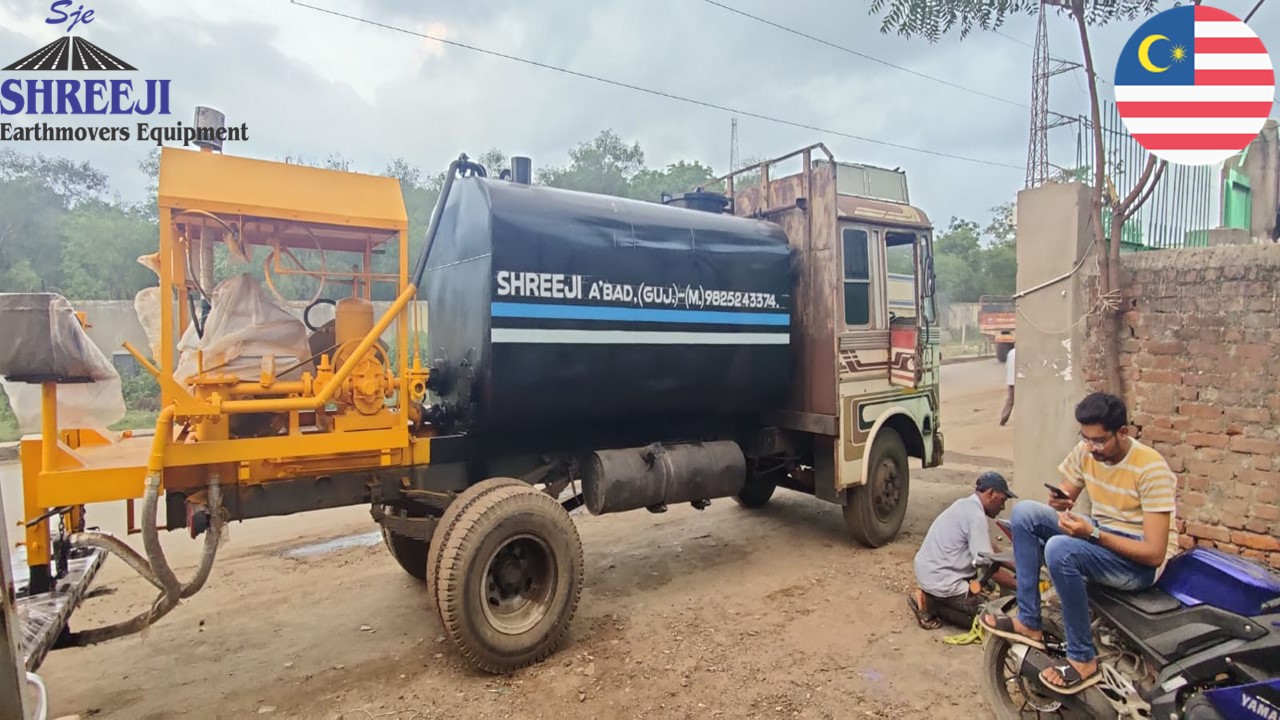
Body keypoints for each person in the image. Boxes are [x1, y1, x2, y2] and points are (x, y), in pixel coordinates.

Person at [980, 392, 1178, 695]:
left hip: (1136, 563)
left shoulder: (1151, 469)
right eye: (1085, 438)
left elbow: (1153, 553)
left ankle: (1083, 660)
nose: (1091, 448)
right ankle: (1029, 621)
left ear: (1122, 433)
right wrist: (1060, 500)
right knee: (1024, 513)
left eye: (1099, 441)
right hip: (1099, 536)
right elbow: (1066, 493)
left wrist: (1092, 534)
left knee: (1060, 549)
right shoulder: (1087, 451)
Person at [909, 471, 1018, 630]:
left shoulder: (965, 505)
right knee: (991, 619)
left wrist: (1016, 566)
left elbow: (988, 548)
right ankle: (932, 605)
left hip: (929, 572)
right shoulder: (976, 517)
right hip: (941, 579)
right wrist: (1022, 586)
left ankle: (929, 597)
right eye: (1002, 500)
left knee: (985, 587)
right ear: (990, 493)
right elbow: (991, 569)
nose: (1002, 507)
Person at [1000, 346, 1016, 426]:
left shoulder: (1011, 353)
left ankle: (1004, 417)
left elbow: (1007, 366)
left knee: (1010, 400)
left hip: (1011, 381)